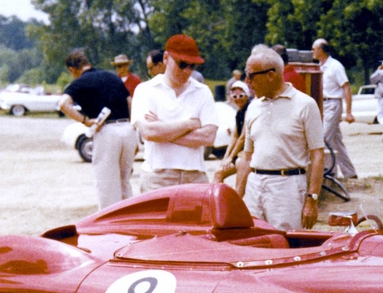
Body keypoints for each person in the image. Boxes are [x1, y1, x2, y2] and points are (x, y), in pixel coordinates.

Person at [235, 46, 324, 231]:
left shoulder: (305, 105)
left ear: (271, 75)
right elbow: (247, 156)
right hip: (254, 186)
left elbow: (317, 155)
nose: (247, 81)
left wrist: (312, 200)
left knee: (286, 244)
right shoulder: (253, 107)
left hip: (288, 188)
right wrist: (238, 196)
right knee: (253, 242)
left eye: (251, 76)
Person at [131, 34, 218, 192]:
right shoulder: (145, 90)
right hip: (157, 176)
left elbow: (208, 137)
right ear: (166, 58)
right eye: (182, 64)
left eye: (192, 66)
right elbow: (150, 132)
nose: (187, 71)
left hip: (195, 176)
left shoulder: (202, 91)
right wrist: (189, 125)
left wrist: (163, 129)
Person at [60, 50, 137, 210]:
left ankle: (110, 228)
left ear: (72, 69)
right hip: (127, 129)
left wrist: (85, 120)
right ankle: (129, 223)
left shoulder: (79, 82)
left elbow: (63, 104)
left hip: (107, 131)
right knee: (125, 183)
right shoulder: (112, 76)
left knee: (107, 186)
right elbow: (130, 102)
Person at [311, 38, 358, 179]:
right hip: (324, 104)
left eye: (314, 49)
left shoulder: (335, 66)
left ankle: (329, 172)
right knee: (336, 141)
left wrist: (349, 112)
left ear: (321, 50)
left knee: (323, 138)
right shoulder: (320, 66)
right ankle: (350, 173)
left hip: (333, 104)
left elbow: (346, 87)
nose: (312, 52)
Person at [212, 84, 251, 186]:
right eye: (234, 96)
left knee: (220, 174)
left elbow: (242, 137)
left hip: (248, 154)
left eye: (241, 96)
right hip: (241, 153)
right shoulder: (239, 112)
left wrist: (231, 157)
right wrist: (226, 157)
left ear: (247, 95)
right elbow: (234, 137)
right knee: (218, 173)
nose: (238, 99)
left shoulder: (250, 110)